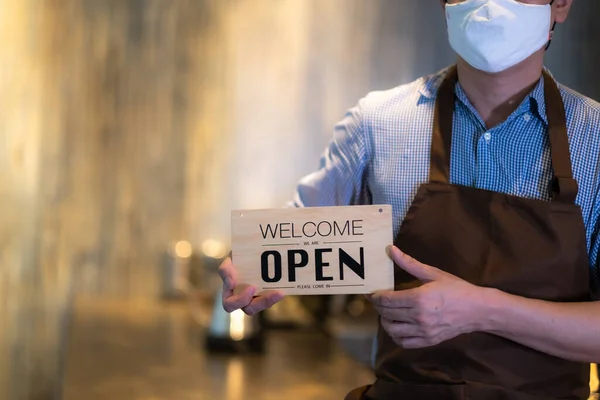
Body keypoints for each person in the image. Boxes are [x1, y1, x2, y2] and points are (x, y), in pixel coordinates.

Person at [219, 0, 600, 398]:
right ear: (444, 5)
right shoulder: (377, 125)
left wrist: (482, 310)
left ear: (559, 5)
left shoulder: (595, 140)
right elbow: (286, 239)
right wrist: (247, 268)